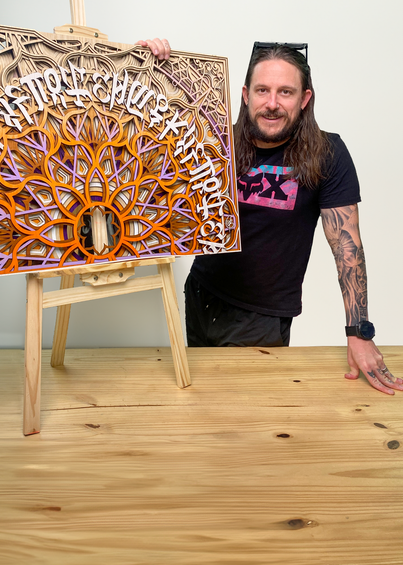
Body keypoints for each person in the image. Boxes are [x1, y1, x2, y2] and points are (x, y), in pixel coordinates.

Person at [136, 37, 402, 395]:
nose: (272, 104)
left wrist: (359, 332)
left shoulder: (328, 154)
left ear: (305, 99)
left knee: (246, 417)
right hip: (201, 295)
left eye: (286, 92)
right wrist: (142, 70)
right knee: (199, 405)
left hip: (261, 318)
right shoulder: (215, 144)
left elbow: (346, 246)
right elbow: (147, 155)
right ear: (246, 95)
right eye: (262, 90)